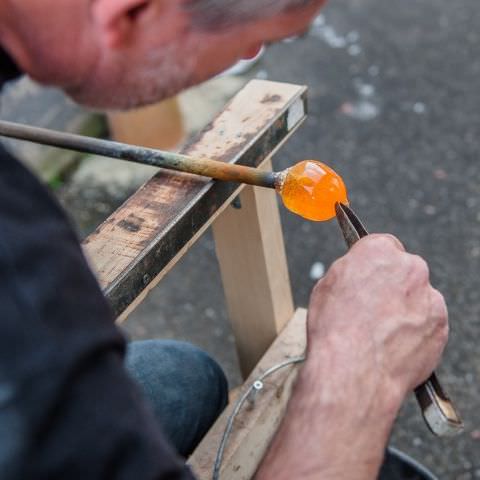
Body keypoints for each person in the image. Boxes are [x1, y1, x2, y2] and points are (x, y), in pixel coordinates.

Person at [0, 1, 448, 479]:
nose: (253, 49)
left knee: (185, 377)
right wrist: (360, 366)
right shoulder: (21, 268)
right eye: (257, 37)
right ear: (129, 14)